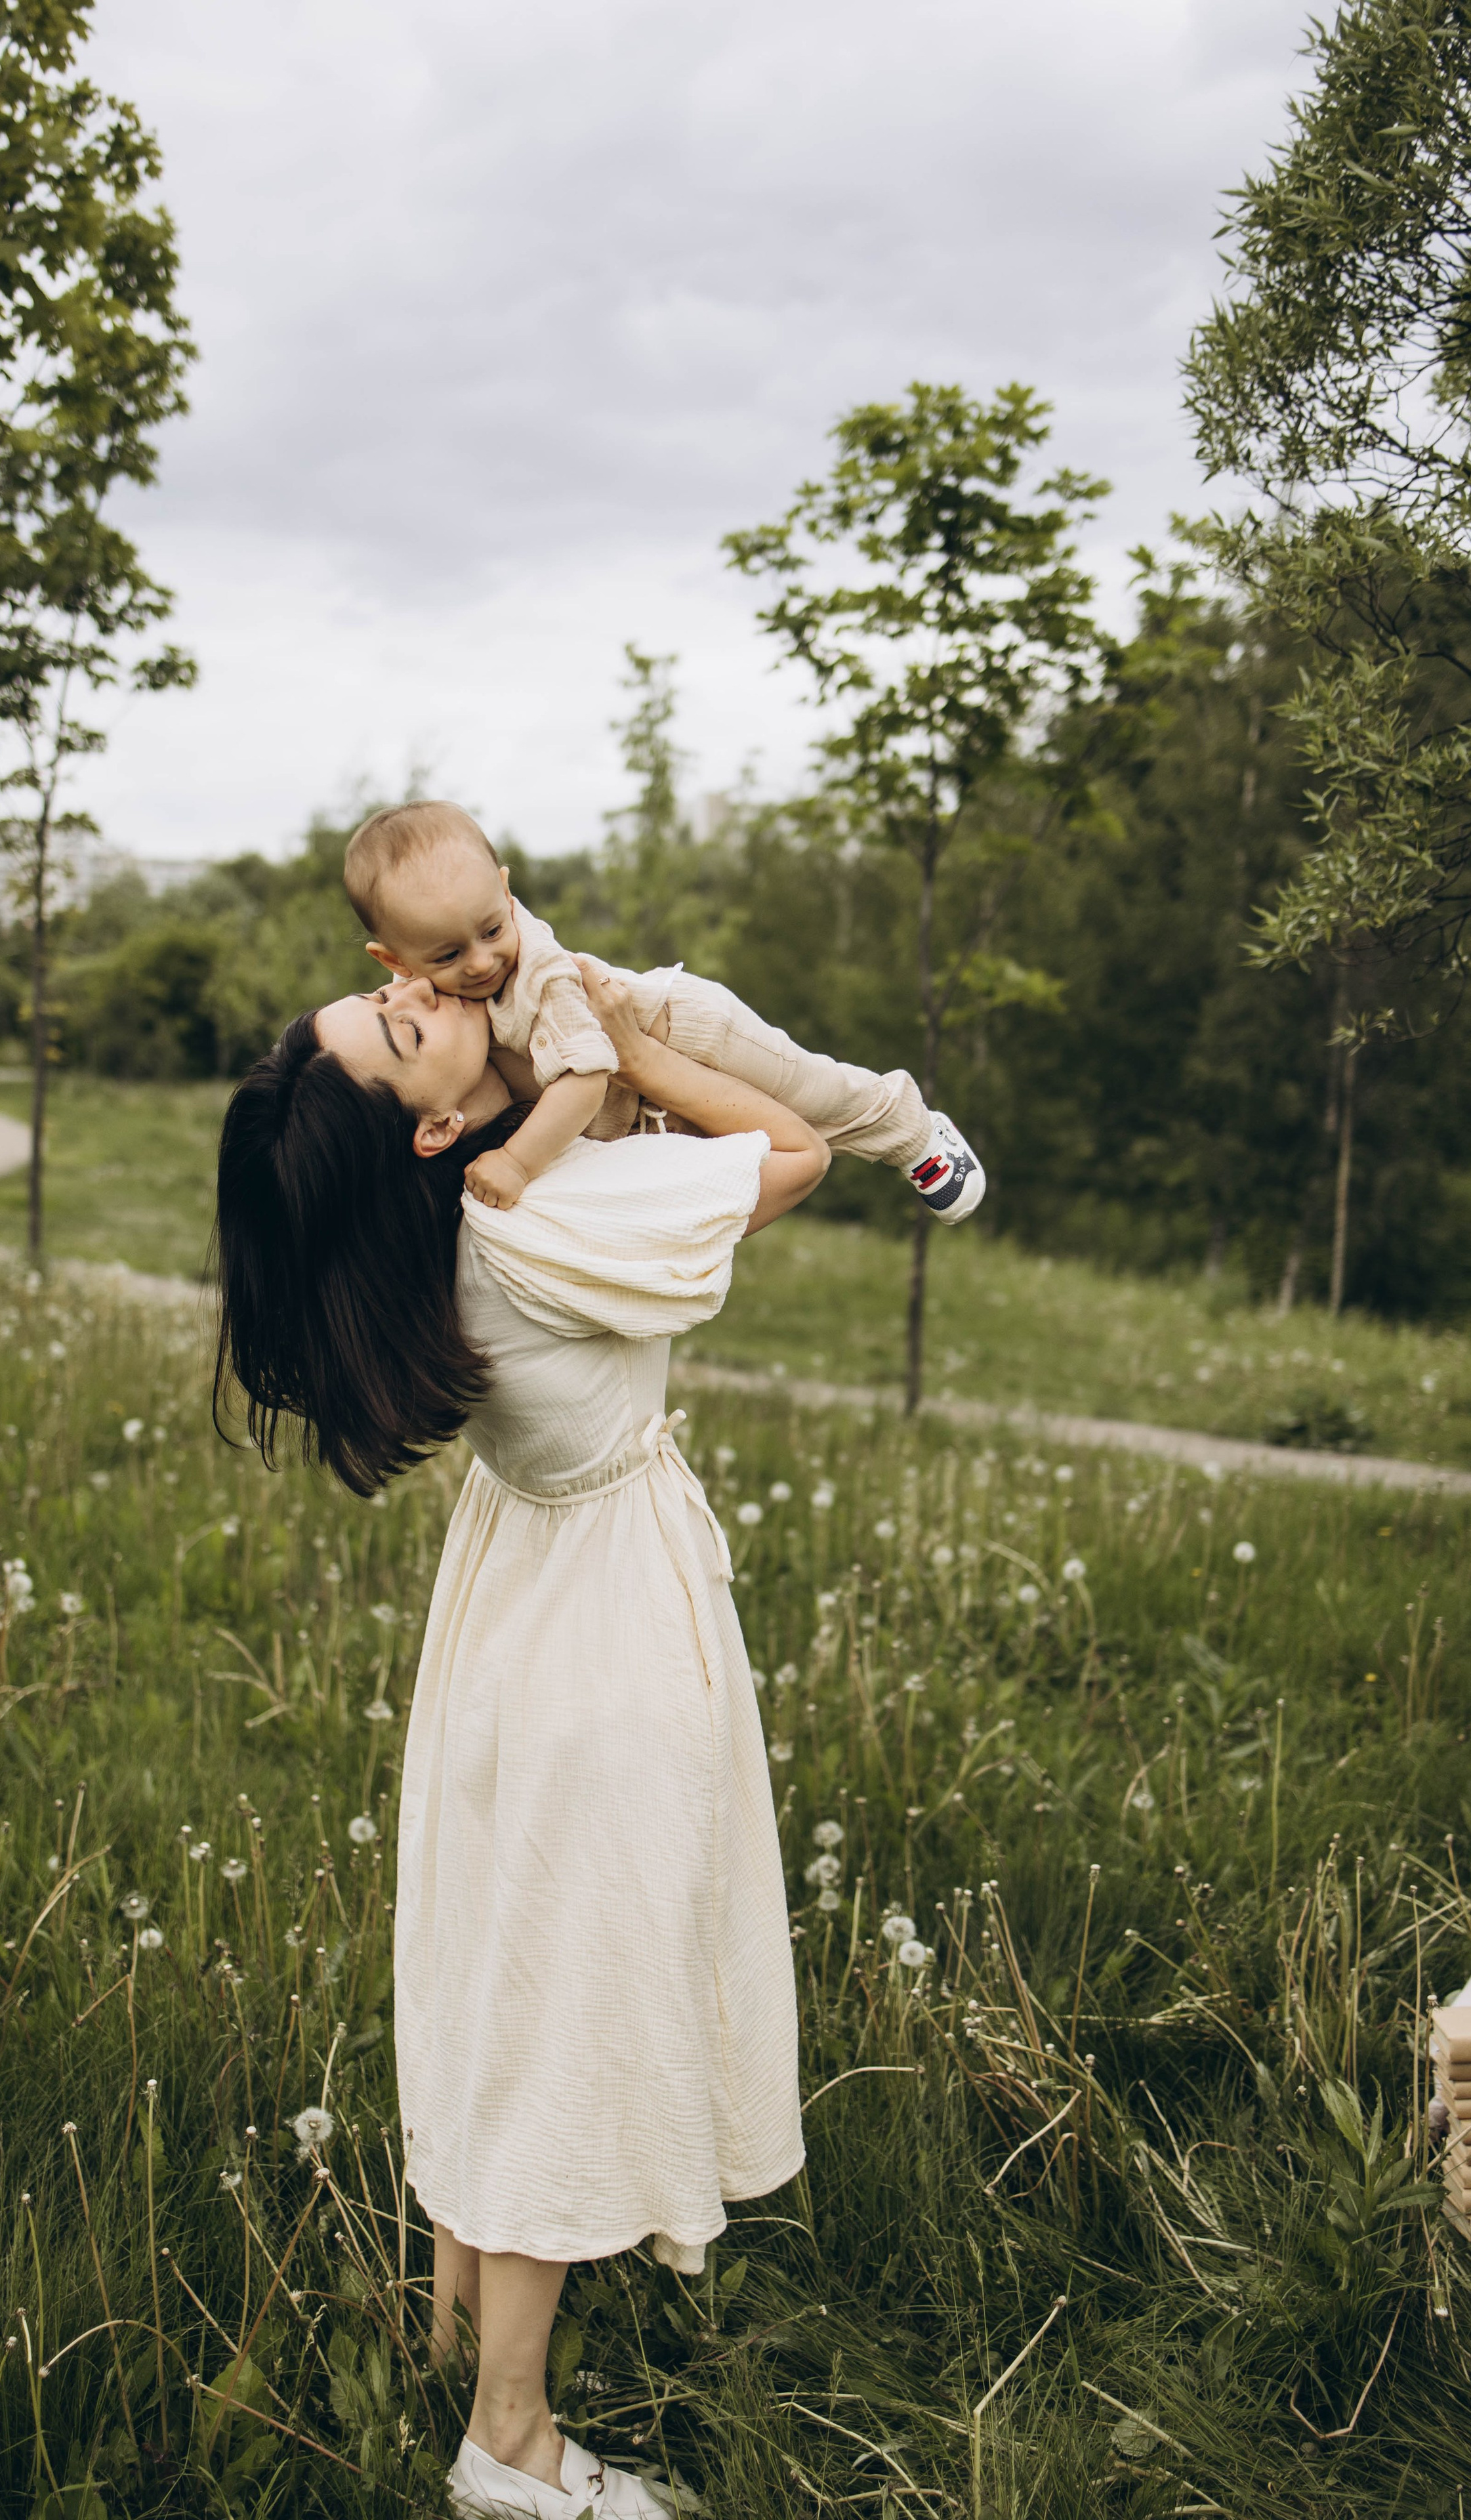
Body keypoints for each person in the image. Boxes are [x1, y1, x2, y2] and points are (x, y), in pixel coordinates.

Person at [214, 963, 830, 2518]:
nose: (416, 987)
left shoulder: (441, 1224)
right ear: (424, 1132)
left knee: (497, 1969)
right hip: (598, 1627)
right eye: (402, 1028)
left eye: (385, 995)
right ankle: (508, 2438)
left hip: (510, 1607)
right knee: (565, 2014)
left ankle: (444, 2323)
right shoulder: (539, 1216)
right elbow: (797, 1147)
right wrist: (624, 1043)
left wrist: (553, 1075)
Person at [341, 795, 985, 1223]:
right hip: (649, 1100)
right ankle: (884, 1136)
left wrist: (516, 1162)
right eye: (449, 954)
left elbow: (587, 1075)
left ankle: (906, 1126)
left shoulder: (539, 973)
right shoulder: (438, 997)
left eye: (490, 931)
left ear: (506, 893)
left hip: (692, 1031)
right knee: (772, 1131)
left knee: (809, 1092)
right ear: (394, 961)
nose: (481, 964)